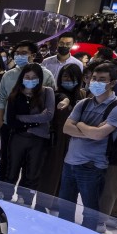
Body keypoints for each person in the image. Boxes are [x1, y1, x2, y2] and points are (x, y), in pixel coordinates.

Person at [58, 63, 117, 231]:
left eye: (102, 79)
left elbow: (99, 135)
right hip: (70, 162)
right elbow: (66, 128)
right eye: (94, 78)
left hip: (92, 166)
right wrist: (91, 131)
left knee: (90, 211)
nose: (96, 82)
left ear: (112, 83)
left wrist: (80, 124)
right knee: (65, 206)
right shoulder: (83, 103)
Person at [3, 63, 55, 208]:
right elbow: (12, 121)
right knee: (12, 170)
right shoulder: (15, 94)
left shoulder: (47, 92)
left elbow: (48, 115)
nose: (30, 80)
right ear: (22, 77)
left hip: (38, 140)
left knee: (32, 173)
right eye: (27, 76)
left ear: (40, 78)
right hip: (18, 137)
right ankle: (6, 198)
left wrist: (23, 119)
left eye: (34, 77)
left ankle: (25, 200)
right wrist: (36, 121)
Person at [37, 63, 83, 204]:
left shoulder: (82, 95)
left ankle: (59, 203)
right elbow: (61, 98)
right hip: (56, 139)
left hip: (75, 141)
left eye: (72, 78)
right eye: (65, 77)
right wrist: (65, 100)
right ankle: (43, 203)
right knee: (51, 171)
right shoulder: (55, 94)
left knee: (68, 174)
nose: (68, 80)